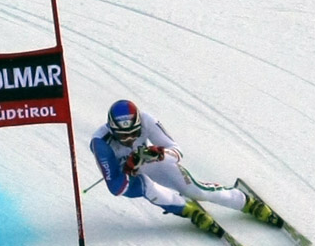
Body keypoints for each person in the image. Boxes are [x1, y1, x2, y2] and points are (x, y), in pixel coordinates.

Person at [89, 99, 275, 234]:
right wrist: (128, 169)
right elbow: (116, 187)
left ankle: (244, 201)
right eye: (123, 136)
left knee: (196, 191)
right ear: (112, 130)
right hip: (127, 178)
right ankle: (185, 208)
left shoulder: (147, 120)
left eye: (134, 134)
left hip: (148, 162)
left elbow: (176, 151)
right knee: (147, 186)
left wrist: (160, 153)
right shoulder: (100, 142)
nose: (129, 140)